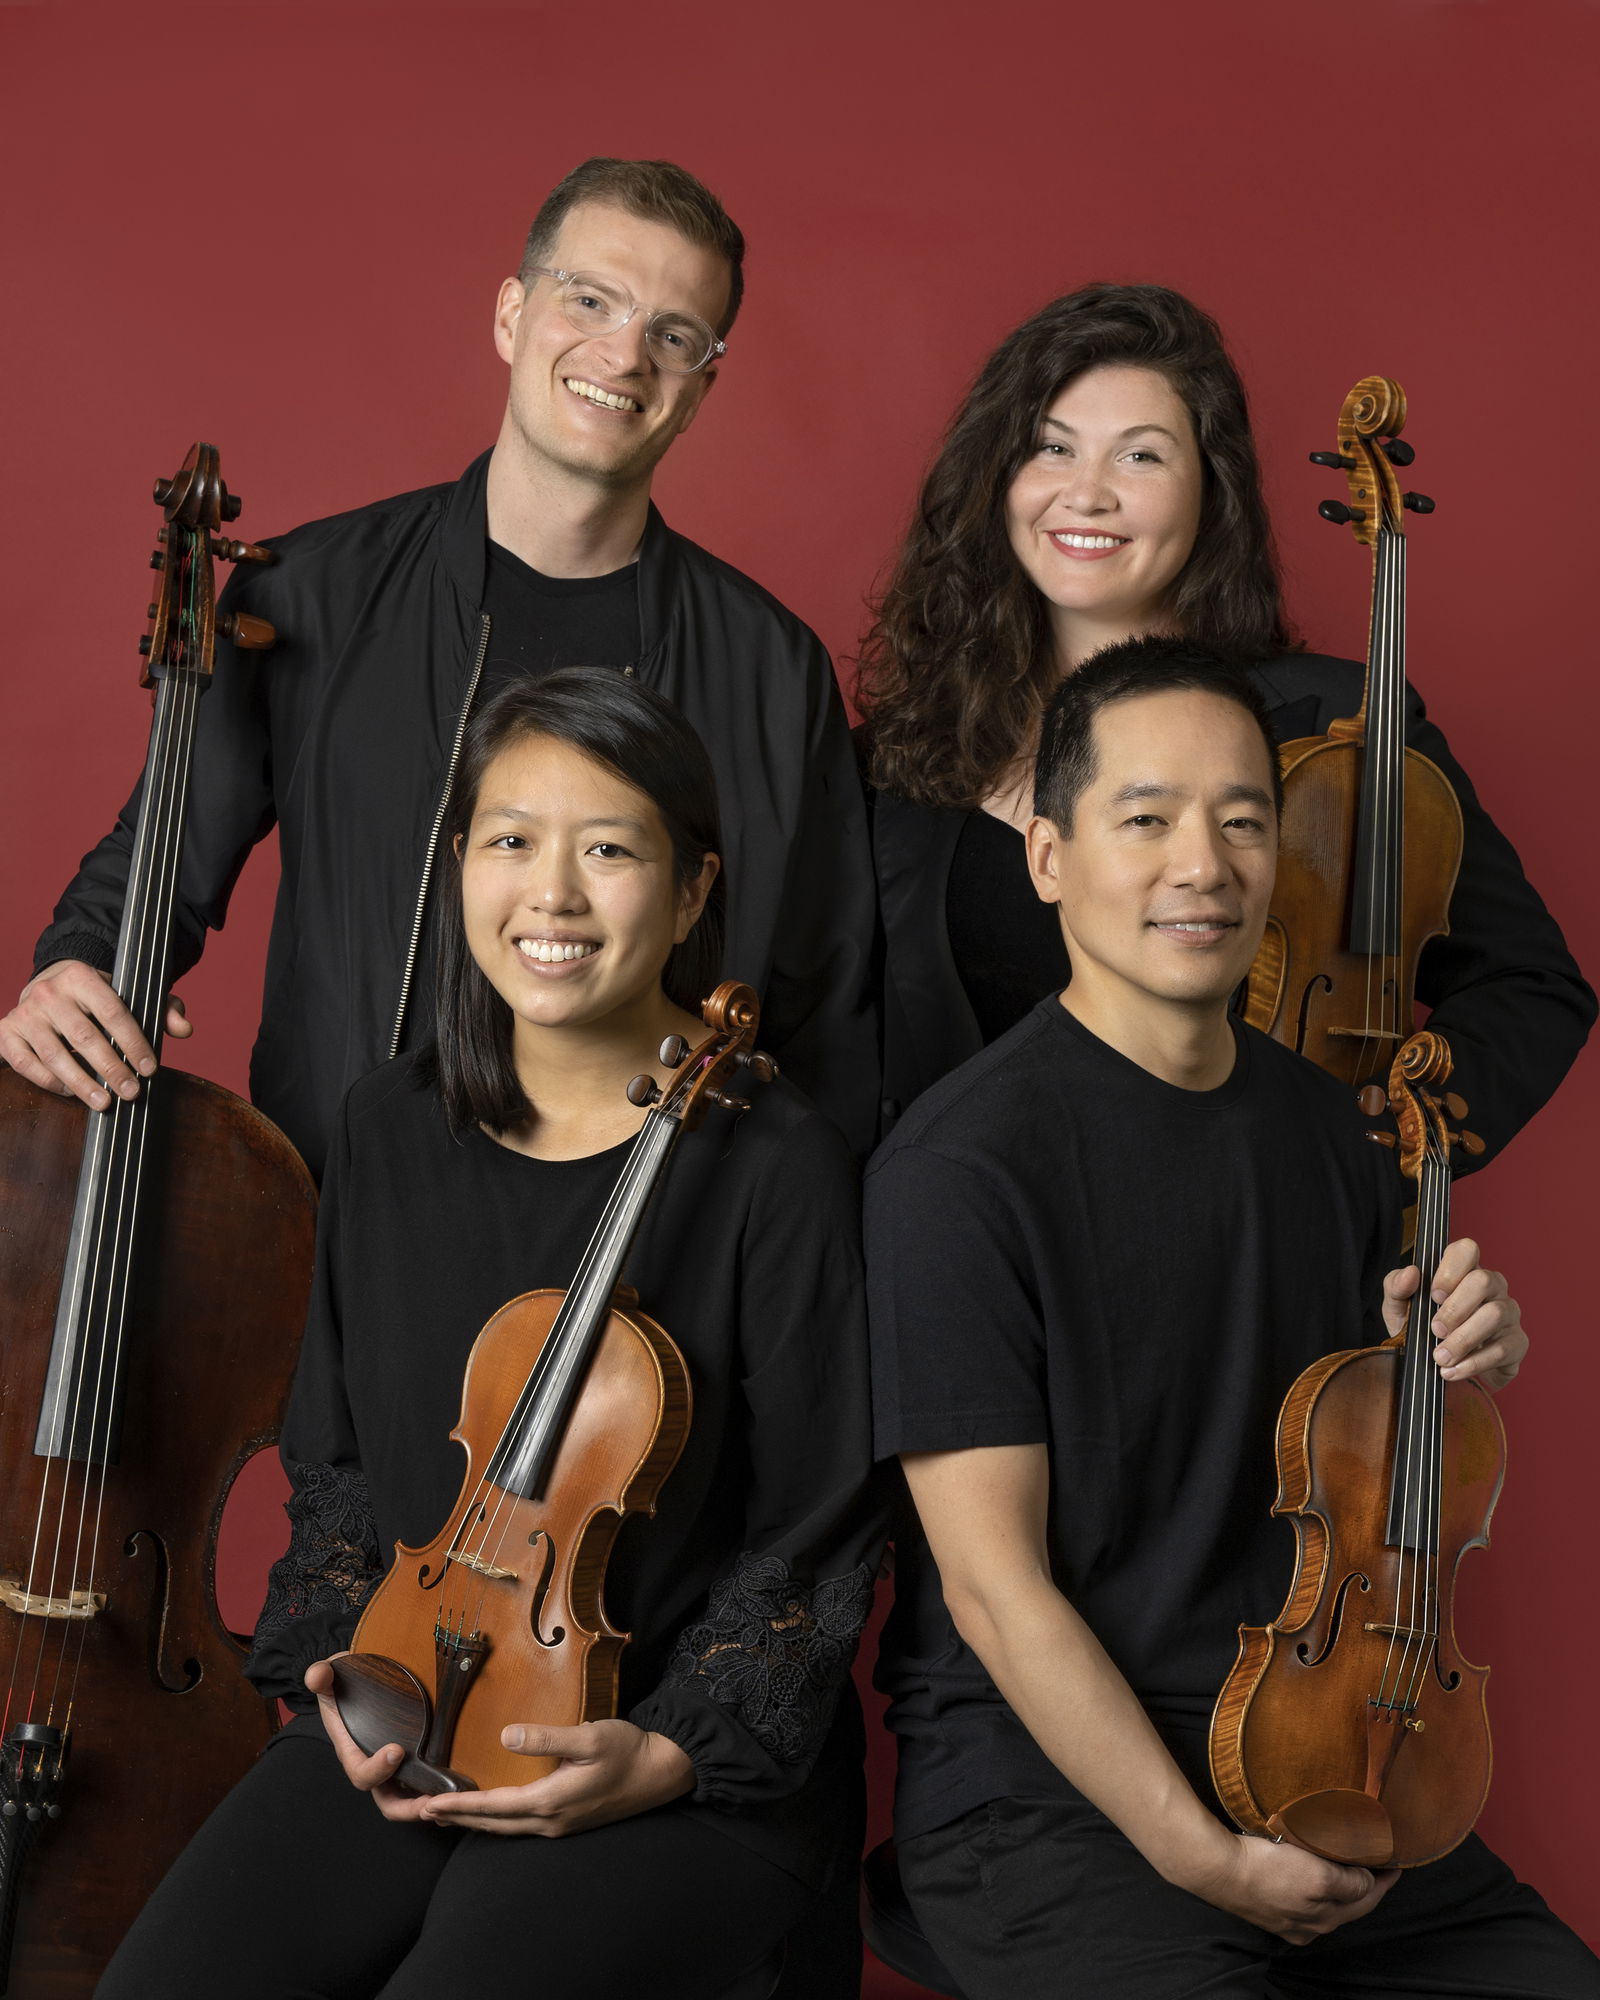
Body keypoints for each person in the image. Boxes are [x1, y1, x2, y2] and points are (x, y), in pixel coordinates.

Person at [96, 668, 880, 1999]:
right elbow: (339, 1465)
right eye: (512, 839)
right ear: (459, 858)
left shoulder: (777, 1162)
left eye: (610, 850)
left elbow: (817, 1527)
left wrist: (669, 1751)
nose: (552, 894)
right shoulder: (387, 1126)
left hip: (667, 1749)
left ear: (693, 889)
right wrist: (345, 1681)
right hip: (414, 1692)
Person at [866, 638, 1598, 1997]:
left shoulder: (1334, 1136)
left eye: (1243, 822)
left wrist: (1456, 1343)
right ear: (1048, 858)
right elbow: (993, 1592)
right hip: (1047, 1797)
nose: (1202, 864)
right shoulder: (957, 1172)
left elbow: (1362, 1469)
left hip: (1307, 1742)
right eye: (1146, 820)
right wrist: (1203, 1857)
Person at [6, 155, 877, 1176]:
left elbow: (827, 1011)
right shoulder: (309, 594)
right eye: (589, 299)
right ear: (512, 315)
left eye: (673, 335)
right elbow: (163, 851)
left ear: (699, 390)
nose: (624, 354)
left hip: (643, 1232)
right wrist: (75, 964)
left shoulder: (773, 667)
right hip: (340, 1209)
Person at [856, 283, 1592, 1147]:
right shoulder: (895, 758)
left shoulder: (1342, 727)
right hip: (981, 1224)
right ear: (997, 477)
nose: (1087, 495)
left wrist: (1379, 1154)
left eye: (1141, 456)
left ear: (1212, 489)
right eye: (1052, 447)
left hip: (1257, 1216)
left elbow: (1529, 986)